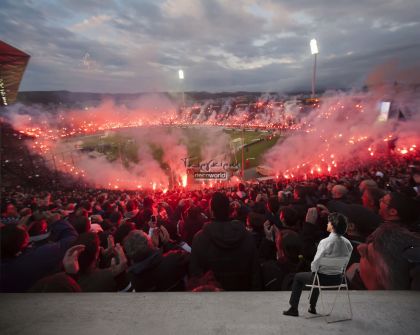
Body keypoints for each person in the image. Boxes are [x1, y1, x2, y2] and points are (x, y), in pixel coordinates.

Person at [283, 212, 353, 317]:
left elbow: (315, 263)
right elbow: (346, 262)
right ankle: (312, 307)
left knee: (299, 277)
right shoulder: (348, 243)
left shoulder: (325, 242)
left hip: (322, 279)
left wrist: (315, 269)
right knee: (317, 275)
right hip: (339, 279)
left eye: (329, 222)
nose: (327, 224)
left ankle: (293, 308)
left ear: (333, 226)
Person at [190, 192, 261, 291]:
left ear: (211, 211)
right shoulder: (247, 236)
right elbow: (255, 272)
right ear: (229, 210)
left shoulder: (199, 238)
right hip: (243, 296)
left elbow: (196, 275)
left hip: (215, 300)